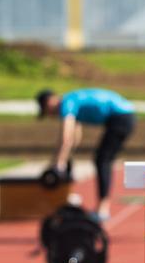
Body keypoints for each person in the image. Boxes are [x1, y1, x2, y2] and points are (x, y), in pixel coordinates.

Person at [36, 87, 135, 221]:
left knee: (102, 160)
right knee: (102, 159)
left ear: (50, 101)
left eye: (47, 111)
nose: (50, 115)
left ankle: (102, 210)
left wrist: (58, 164)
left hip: (121, 116)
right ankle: (101, 207)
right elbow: (75, 136)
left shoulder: (67, 104)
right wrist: (65, 159)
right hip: (123, 115)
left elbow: (66, 137)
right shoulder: (71, 101)